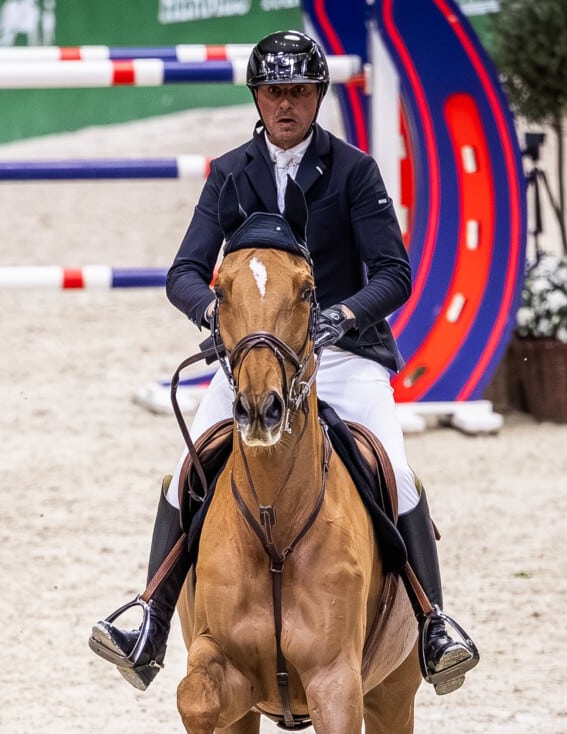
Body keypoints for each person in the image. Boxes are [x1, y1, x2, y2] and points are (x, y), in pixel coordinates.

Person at [89, 29, 479, 696]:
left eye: (299, 91)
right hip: (251, 362)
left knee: (401, 476)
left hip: (344, 356)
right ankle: (150, 619)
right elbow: (185, 271)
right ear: (257, 97)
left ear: (318, 96)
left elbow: (395, 272)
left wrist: (343, 316)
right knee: (183, 474)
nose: (286, 105)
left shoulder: (354, 171)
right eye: (274, 92)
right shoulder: (230, 172)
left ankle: (434, 623)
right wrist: (219, 318)